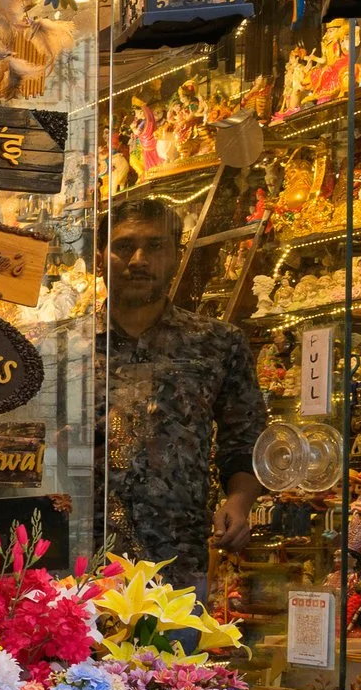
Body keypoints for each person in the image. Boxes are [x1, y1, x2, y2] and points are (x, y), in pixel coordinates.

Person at [99, 195, 268, 585]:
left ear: (175, 255)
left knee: (179, 646)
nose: (138, 260)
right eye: (124, 246)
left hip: (176, 560)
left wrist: (240, 502)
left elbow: (245, 441)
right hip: (80, 563)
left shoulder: (218, 343)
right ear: (100, 257)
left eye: (155, 246)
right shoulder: (66, 346)